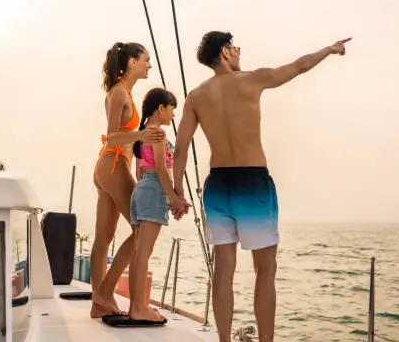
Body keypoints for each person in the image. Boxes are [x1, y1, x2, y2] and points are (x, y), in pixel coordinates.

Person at [171, 31, 351, 342]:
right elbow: (298, 67)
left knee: (223, 270)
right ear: (225, 53)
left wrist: (177, 190)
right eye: (235, 48)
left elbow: (182, 148)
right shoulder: (251, 80)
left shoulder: (196, 97)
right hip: (252, 183)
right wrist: (330, 49)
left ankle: (224, 340)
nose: (239, 53)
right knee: (265, 270)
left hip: (219, 185)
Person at [90, 42, 166, 318]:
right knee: (140, 231)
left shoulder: (123, 91)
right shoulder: (120, 91)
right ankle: (104, 292)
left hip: (108, 166)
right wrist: (142, 136)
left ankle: (100, 301)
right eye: (146, 60)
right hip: (112, 164)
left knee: (104, 237)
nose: (149, 65)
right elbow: (111, 135)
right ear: (132, 62)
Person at [128, 88, 190, 322]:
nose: (174, 113)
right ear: (160, 108)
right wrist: (174, 198)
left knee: (138, 252)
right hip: (153, 188)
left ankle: (136, 306)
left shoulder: (142, 133)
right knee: (144, 253)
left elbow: (140, 169)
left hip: (141, 189)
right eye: (172, 107)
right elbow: (162, 170)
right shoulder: (159, 134)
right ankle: (139, 308)